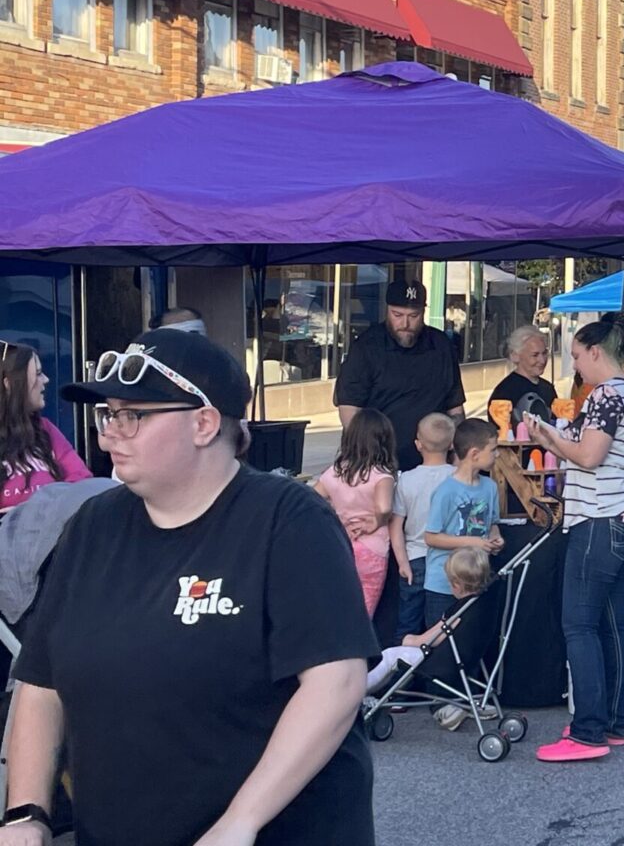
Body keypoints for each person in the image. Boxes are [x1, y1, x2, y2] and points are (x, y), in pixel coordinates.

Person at [6, 328, 376, 845]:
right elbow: (41, 683)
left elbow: (335, 682)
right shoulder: (91, 525)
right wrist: (26, 813)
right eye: (107, 415)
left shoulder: (288, 520)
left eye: (131, 415)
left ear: (204, 423)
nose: (110, 433)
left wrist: (240, 822)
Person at [528, 320, 624, 761]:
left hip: (598, 518)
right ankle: (614, 722)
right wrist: (555, 437)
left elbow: (588, 455)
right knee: (616, 624)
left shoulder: (605, 396)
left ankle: (588, 731)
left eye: (578, 356)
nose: (576, 366)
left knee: (579, 626)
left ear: (596, 351)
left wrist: (554, 439)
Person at [334, 279, 464, 474]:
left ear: (423, 312)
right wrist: (366, 457)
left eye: (414, 316)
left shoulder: (441, 345)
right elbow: (349, 409)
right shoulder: (367, 346)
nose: (405, 324)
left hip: (434, 464)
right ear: (387, 310)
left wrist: (458, 453)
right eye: (397, 315)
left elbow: (455, 408)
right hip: (378, 463)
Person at [365, 546, 493, 731]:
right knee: (395, 656)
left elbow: (431, 639)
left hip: (440, 661)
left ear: (456, 584)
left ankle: (357, 692)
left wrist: (409, 640)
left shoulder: (458, 612)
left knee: (391, 656)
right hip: (464, 658)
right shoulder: (480, 605)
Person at [315, 409, 398, 617]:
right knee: (365, 611)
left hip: (342, 544)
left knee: (340, 606)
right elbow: (384, 507)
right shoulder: (382, 475)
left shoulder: (334, 472)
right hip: (373, 548)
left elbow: (312, 498)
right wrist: (376, 522)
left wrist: (338, 520)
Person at [422, 418, 503, 630]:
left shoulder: (490, 487)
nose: (498, 454)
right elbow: (431, 536)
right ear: (475, 454)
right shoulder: (446, 491)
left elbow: (492, 522)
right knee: (440, 644)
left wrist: (495, 537)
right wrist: (473, 542)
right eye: (493, 450)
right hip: (444, 583)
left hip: (477, 580)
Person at [389, 413, 456, 641]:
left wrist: (402, 563)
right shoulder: (458, 478)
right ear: (452, 444)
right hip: (450, 559)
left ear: (418, 444)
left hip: (415, 558)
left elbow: (396, 526)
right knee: (443, 626)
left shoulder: (406, 480)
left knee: (408, 624)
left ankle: (401, 669)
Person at [0, 342, 89, 511]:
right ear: (9, 384)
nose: (46, 380)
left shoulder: (45, 429)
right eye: (38, 374)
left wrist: (43, 509)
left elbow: (82, 480)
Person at [486, 324, 558, 424]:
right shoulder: (505, 391)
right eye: (535, 355)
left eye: (544, 353)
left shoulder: (547, 388)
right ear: (515, 356)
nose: (542, 360)